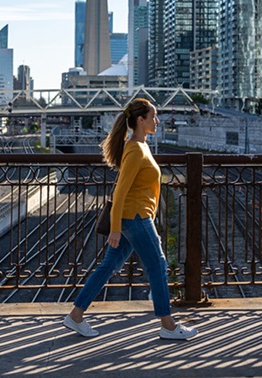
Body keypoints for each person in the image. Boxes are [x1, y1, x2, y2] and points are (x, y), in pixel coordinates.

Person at [63, 98, 197, 340]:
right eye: (153, 116)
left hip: (133, 217)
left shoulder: (140, 145)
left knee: (108, 267)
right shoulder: (135, 149)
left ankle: (75, 315)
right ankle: (168, 325)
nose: (157, 121)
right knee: (158, 265)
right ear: (140, 120)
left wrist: (120, 225)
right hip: (135, 217)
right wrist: (115, 228)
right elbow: (120, 191)